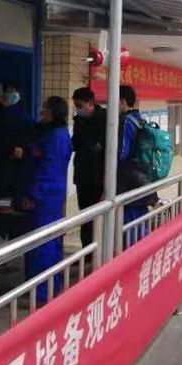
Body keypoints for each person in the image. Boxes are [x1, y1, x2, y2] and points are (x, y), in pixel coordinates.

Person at [21, 96, 73, 303]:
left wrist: (33, 195)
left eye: (44, 109)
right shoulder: (55, 134)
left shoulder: (56, 137)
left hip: (45, 197)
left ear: (52, 113)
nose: (41, 112)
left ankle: (43, 293)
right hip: (49, 195)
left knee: (43, 245)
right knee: (47, 243)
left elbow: (48, 172)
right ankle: (47, 287)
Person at [118, 86, 158, 235]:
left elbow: (122, 153)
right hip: (142, 178)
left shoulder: (126, 122)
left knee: (129, 226)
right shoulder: (139, 119)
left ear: (122, 101)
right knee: (140, 225)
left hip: (128, 182)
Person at [71, 87, 107, 247]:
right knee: (85, 218)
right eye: (76, 106)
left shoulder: (106, 119)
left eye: (80, 106)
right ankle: (87, 253)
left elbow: (105, 149)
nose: (78, 109)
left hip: (99, 178)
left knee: (98, 218)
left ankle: (101, 251)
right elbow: (75, 144)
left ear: (91, 104)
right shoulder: (79, 120)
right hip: (83, 177)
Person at [0, 82, 33, 208]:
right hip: (5, 159)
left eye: (13, 92)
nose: (10, 94)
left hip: (18, 160)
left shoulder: (21, 114)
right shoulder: (3, 111)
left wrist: (23, 149)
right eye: (8, 92)